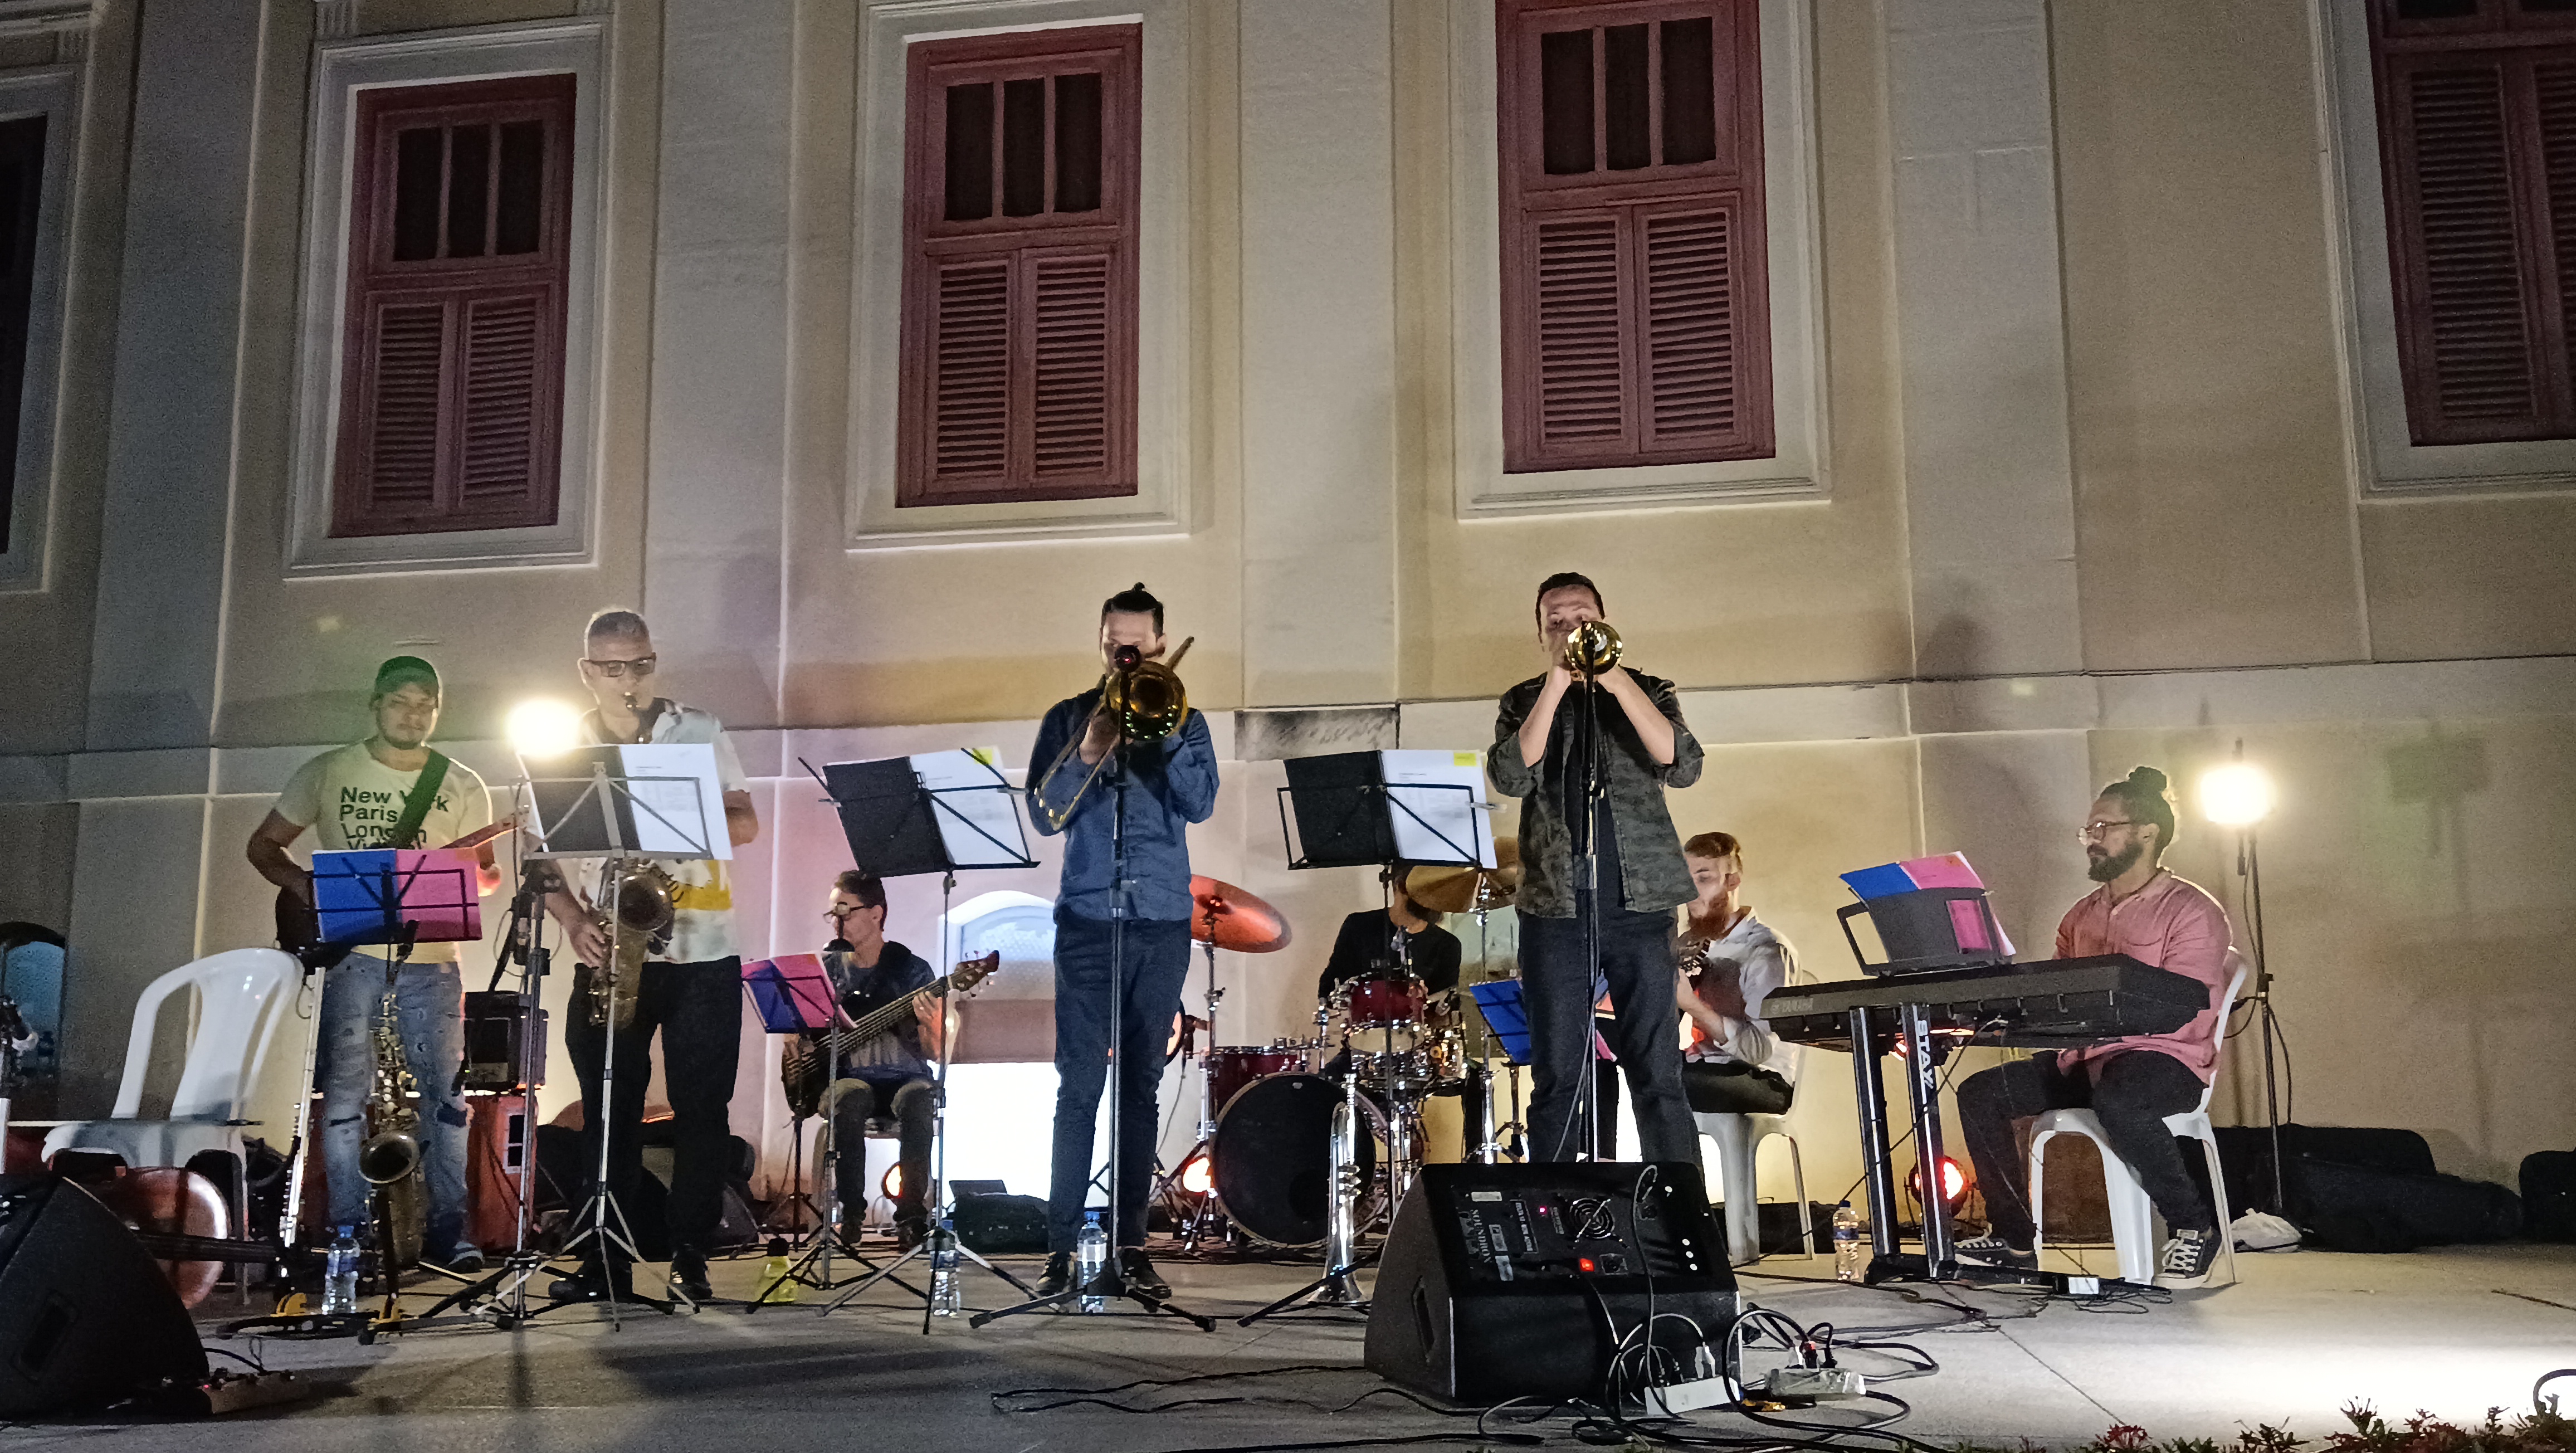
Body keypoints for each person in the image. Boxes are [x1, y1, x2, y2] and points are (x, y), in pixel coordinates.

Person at [245, 656, 499, 1270]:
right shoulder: (329, 770)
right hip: (352, 955)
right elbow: (263, 845)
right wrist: (306, 887)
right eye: (401, 702)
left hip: (434, 962)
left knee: (447, 1099)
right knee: (343, 1099)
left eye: (425, 706)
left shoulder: (462, 783)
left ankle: (449, 1233)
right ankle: (348, 1234)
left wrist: (461, 878)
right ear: (376, 705)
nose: (413, 716)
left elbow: (488, 875)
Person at [543, 609, 759, 1303]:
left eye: (639, 665)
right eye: (612, 668)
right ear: (587, 672)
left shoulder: (698, 729)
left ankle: (691, 1253)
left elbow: (746, 821)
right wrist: (573, 921)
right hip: (610, 949)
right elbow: (542, 858)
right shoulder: (565, 747)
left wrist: (675, 814)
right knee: (608, 1108)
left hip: (703, 948)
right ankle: (603, 1255)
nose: (628, 680)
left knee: (703, 1109)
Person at [1953, 766, 2236, 1289]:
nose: (2093, 839)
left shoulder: (2192, 911)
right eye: (2089, 830)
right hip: (2086, 1060)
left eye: (2105, 827)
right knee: (1980, 1093)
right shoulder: (2080, 915)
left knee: (2121, 1099)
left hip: (2167, 1062)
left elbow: (2184, 1005)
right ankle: (2014, 1240)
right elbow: (2055, 993)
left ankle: (2193, 1226)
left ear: (2147, 832)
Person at [1026, 583, 1218, 1301]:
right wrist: (1087, 749)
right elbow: (1044, 814)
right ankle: (1059, 1249)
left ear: (1160, 645)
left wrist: (1162, 732)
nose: (1124, 656)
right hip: (1086, 919)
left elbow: (1199, 802)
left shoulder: (1188, 720)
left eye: (1136, 647)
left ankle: (1131, 1246)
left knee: (1140, 1085)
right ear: (1101, 642)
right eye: (1114, 646)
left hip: (1160, 920)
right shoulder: (1067, 716)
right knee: (1078, 1085)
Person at [1487, 572, 1704, 1168]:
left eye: (1581, 617)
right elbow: (1510, 776)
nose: (1568, 628)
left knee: (1656, 1069)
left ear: (1605, 623)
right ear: (1541, 635)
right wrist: (1558, 683)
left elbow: (1682, 763)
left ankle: (1677, 1206)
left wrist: (1614, 678)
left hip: (1642, 904)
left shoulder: (1651, 690)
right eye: (1554, 622)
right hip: (1554, 908)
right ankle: (1555, 1209)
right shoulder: (1522, 699)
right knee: (1558, 1074)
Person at [816, 870, 940, 1249]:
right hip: (849, 1076)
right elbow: (805, 1028)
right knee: (849, 1096)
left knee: (919, 1099)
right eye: (833, 914)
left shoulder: (913, 970)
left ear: (876, 913)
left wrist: (931, 1024)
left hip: (906, 1077)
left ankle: (912, 1216)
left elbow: (935, 1052)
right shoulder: (828, 970)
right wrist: (797, 1043)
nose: (838, 922)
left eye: (846, 912)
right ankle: (851, 1213)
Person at [1673, 832, 1797, 1116]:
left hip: (1764, 1079)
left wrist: (1693, 1005)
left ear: (1733, 881)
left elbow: (1759, 1051)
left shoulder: (1766, 951)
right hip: (1704, 1065)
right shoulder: (1689, 944)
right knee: (1603, 1067)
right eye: (1686, 882)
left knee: (1665, 1084)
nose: (1691, 894)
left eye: (1704, 879)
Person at [1317, 879, 1463, 999]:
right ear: (1399, 885)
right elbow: (1329, 987)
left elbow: (1445, 1006)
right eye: (1423, 887)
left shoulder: (1448, 944)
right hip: (1364, 1023)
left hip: (1418, 1025)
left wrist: (1425, 1000)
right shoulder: (1359, 925)